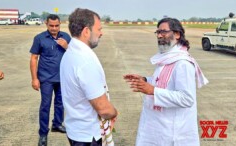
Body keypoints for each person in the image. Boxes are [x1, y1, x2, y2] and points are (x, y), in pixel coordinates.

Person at [123, 17, 208, 146]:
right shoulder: (167, 58)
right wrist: (145, 80)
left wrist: (152, 90)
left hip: (173, 132)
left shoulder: (182, 63)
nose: (159, 36)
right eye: (157, 32)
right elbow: (163, 82)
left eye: (164, 32)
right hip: (158, 126)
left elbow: (187, 98)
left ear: (177, 34)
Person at [60, 8, 118, 146]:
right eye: (99, 29)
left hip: (76, 130)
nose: (101, 33)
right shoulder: (85, 61)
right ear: (86, 31)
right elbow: (103, 109)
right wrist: (114, 113)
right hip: (88, 136)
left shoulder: (70, 52)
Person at [29, 14, 71, 146]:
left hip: (62, 78)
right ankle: (42, 134)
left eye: (56, 25)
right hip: (46, 78)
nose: (54, 28)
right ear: (46, 24)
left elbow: (75, 55)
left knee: (60, 103)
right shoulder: (40, 38)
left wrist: (67, 47)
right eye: (51, 25)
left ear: (60, 24)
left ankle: (57, 124)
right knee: (45, 106)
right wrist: (34, 78)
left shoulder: (66, 37)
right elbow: (34, 58)